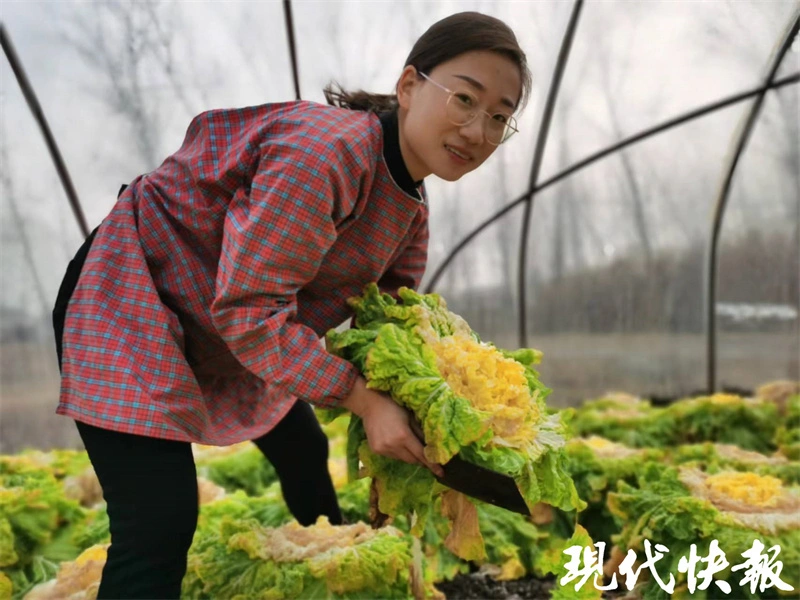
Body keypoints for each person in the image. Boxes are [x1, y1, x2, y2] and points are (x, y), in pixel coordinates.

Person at [52, 10, 532, 599]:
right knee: (159, 523)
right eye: (465, 99)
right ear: (409, 86)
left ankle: (329, 573)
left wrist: (437, 411)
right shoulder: (325, 155)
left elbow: (391, 329)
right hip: (133, 301)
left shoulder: (411, 205)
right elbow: (248, 311)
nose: (478, 130)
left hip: (217, 324)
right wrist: (361, 398)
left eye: (499, 117)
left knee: (302, 448)